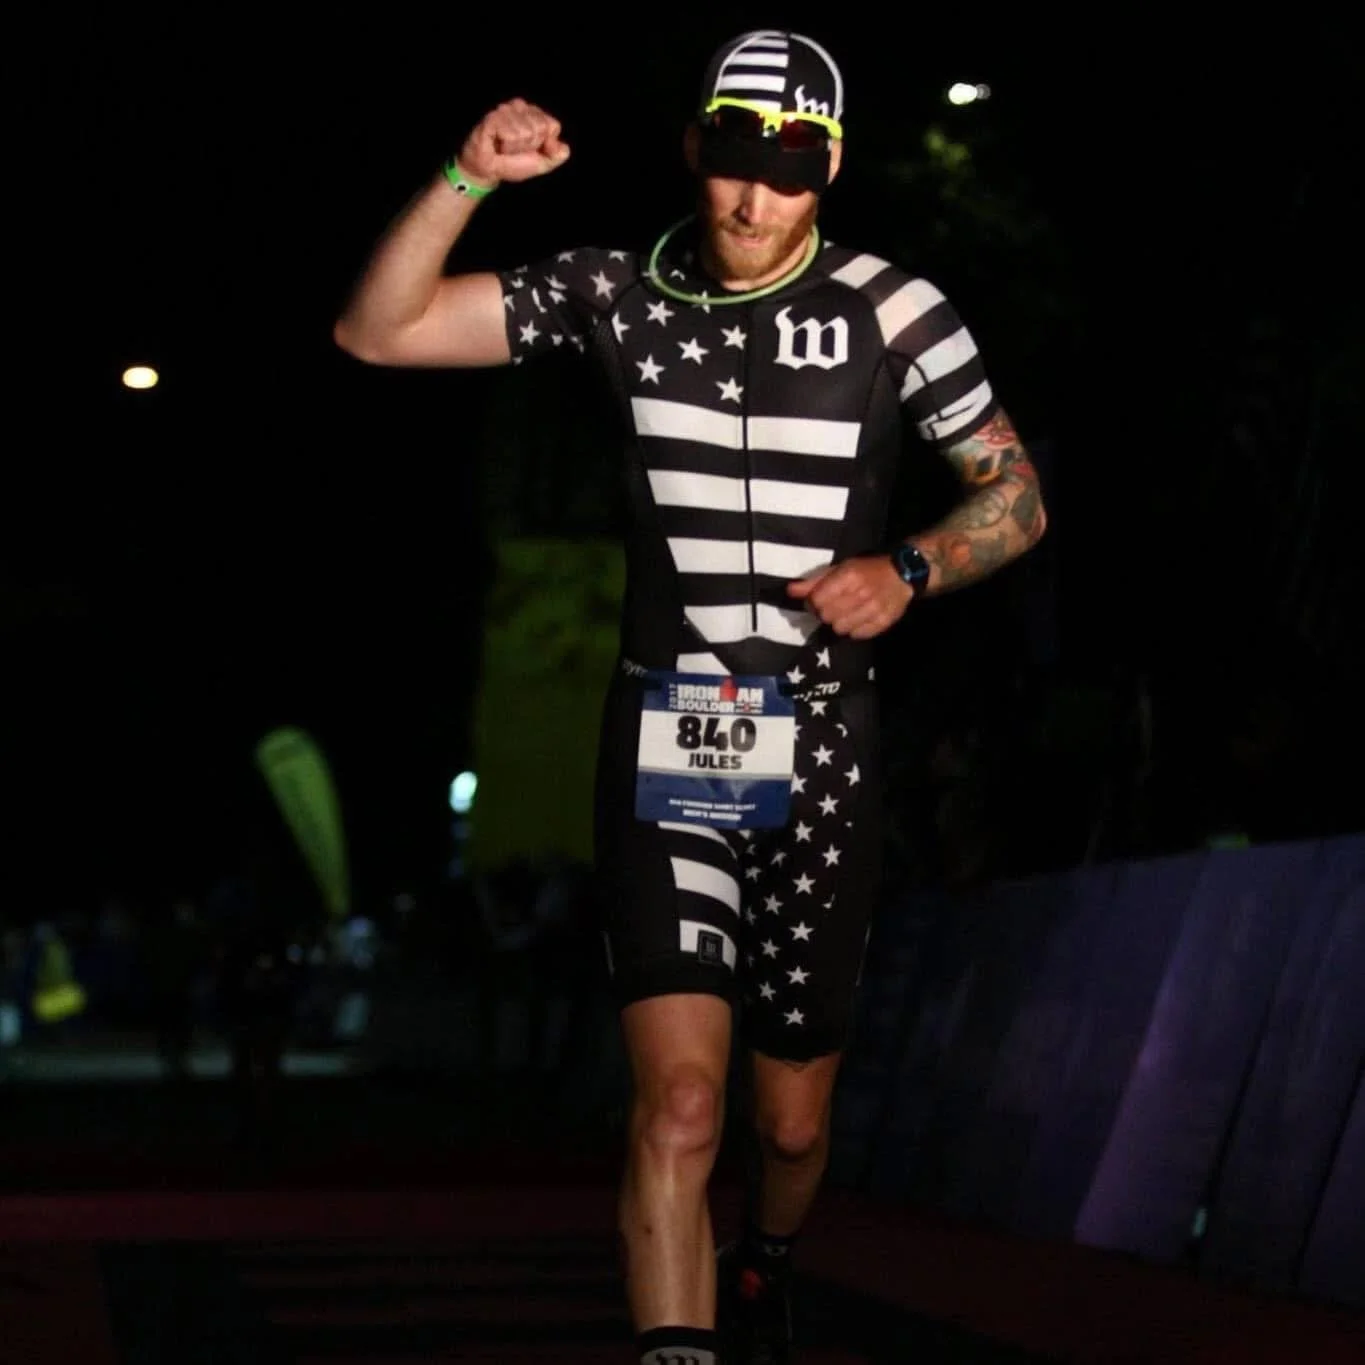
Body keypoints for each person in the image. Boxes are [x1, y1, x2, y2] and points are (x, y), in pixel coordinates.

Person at [335, 28, 1047, 1365]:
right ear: (693, 150)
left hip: (825, 749)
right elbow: (377, 334)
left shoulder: (902, 310)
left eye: (785, 171)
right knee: (675, 1111)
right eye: (731, 162)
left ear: (828, 171)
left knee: (788, 1130)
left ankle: (767, 1257)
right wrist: (465, 179)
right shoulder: (616, 289)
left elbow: (1015, 495)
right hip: (664, 745)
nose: (751, 200)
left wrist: (913, 565)